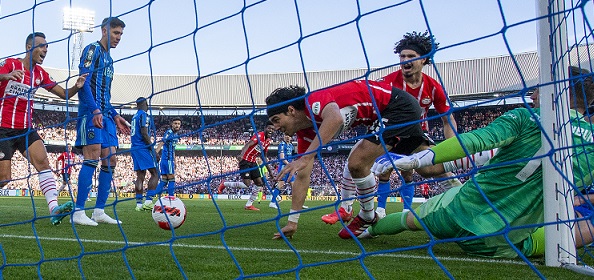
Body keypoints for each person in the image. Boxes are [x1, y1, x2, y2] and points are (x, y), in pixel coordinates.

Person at [359, 73, 594, 258]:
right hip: (504, 240)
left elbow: (475, 141)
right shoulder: (591, 147)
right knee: (561, 235)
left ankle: (368, 230)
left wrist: (418, 158)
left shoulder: (526, 117)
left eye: (540, 87)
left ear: (560, 90)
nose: (532, 94)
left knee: (409, 220)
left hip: (457, 213)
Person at [320, 31, 460, 224]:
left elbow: (448, 119)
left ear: (424, 59)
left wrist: (453, 147)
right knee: (355, 161)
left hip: (416, 134)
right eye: (402, 56)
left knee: (435, 171)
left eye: (411, 56)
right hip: (388, 132)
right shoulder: (387, 82)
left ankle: (466, 206)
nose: (405, 60)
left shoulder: (434, 87)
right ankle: (350, 209)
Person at [267, 80, 428, 239]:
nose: (275, 127)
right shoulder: (306, 135)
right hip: (381, 118)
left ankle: (366, 215)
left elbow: (334, 118)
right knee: (430, 169)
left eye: (276, 120)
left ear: (291, 110)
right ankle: (453, 180)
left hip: (397, 106)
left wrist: (306, 157)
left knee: (357, 162)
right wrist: (292, 222)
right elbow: (302, 176)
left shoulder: (313, 100)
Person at [0, 32, 86, 225]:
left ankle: (54, 209)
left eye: (47, 47)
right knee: (4, 178)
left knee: (43, 163)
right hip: (2, 129)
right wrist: (6, 75)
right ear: (29, 47)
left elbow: (64, 94)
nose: (45, 50)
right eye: (42, 46)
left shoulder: (39, 74)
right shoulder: (11, 64)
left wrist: (77, 87)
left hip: (25, 130)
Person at [72, 17, 129, 226]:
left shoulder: (110, 60)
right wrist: (95, 109)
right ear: (104, 31)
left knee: (111, 159)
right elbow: (83, 82)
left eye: (121, 34)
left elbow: (105, 95)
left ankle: (98, 211)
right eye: (116, 33)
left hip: (106, 115)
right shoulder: (92, 50)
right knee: (92, 156)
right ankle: (78, 211)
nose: (119, 38)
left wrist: (115, 115)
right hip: (90, 112)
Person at [218, 122, 275, 211]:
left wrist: (270, 172)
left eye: (273, 129)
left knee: (259, 183)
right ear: (265, 128)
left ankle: (249, 205)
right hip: (245, 161)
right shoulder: (260, 136)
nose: (271, 130)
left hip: (253, 162)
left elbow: (264, 157)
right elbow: (248, 144)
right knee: (247, 184)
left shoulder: (267, 142)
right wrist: (241, 155)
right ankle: (224, 184)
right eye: (269, 128)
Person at [130, 97, 159, 211]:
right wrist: (152, 149)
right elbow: (144, 133)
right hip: (142, 147)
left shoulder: (134, 116)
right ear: (146, 104)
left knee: (140, 176)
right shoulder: (144, 115)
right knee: (155, 173)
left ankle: (138, 205)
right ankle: (148, 201)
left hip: (134, 148)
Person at [155, 118, 182, 197]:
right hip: (167, 160)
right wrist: (155, 153)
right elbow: (162, 142)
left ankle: (151, 196)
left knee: (164, 180)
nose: (177, 125)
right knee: (172, 179)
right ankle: (171, 197)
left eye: (178, 124)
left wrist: (175, 161)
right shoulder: (169, 132)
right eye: (175, 123)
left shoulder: (176, 136)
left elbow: (173, 149)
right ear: (172, 124)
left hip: (169, 160)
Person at [270, 134, 295, 209]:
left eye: (289, 136)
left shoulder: (291, 145)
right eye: (286, 135)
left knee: (294, 186)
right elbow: (282, 158)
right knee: (281, 184)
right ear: (283, 136)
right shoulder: (282, 145)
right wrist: (290, 165)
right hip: (283, 167)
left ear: (291, 137)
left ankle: (297, 204)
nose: (287, 137)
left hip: (289, 167)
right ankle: (272, 202)